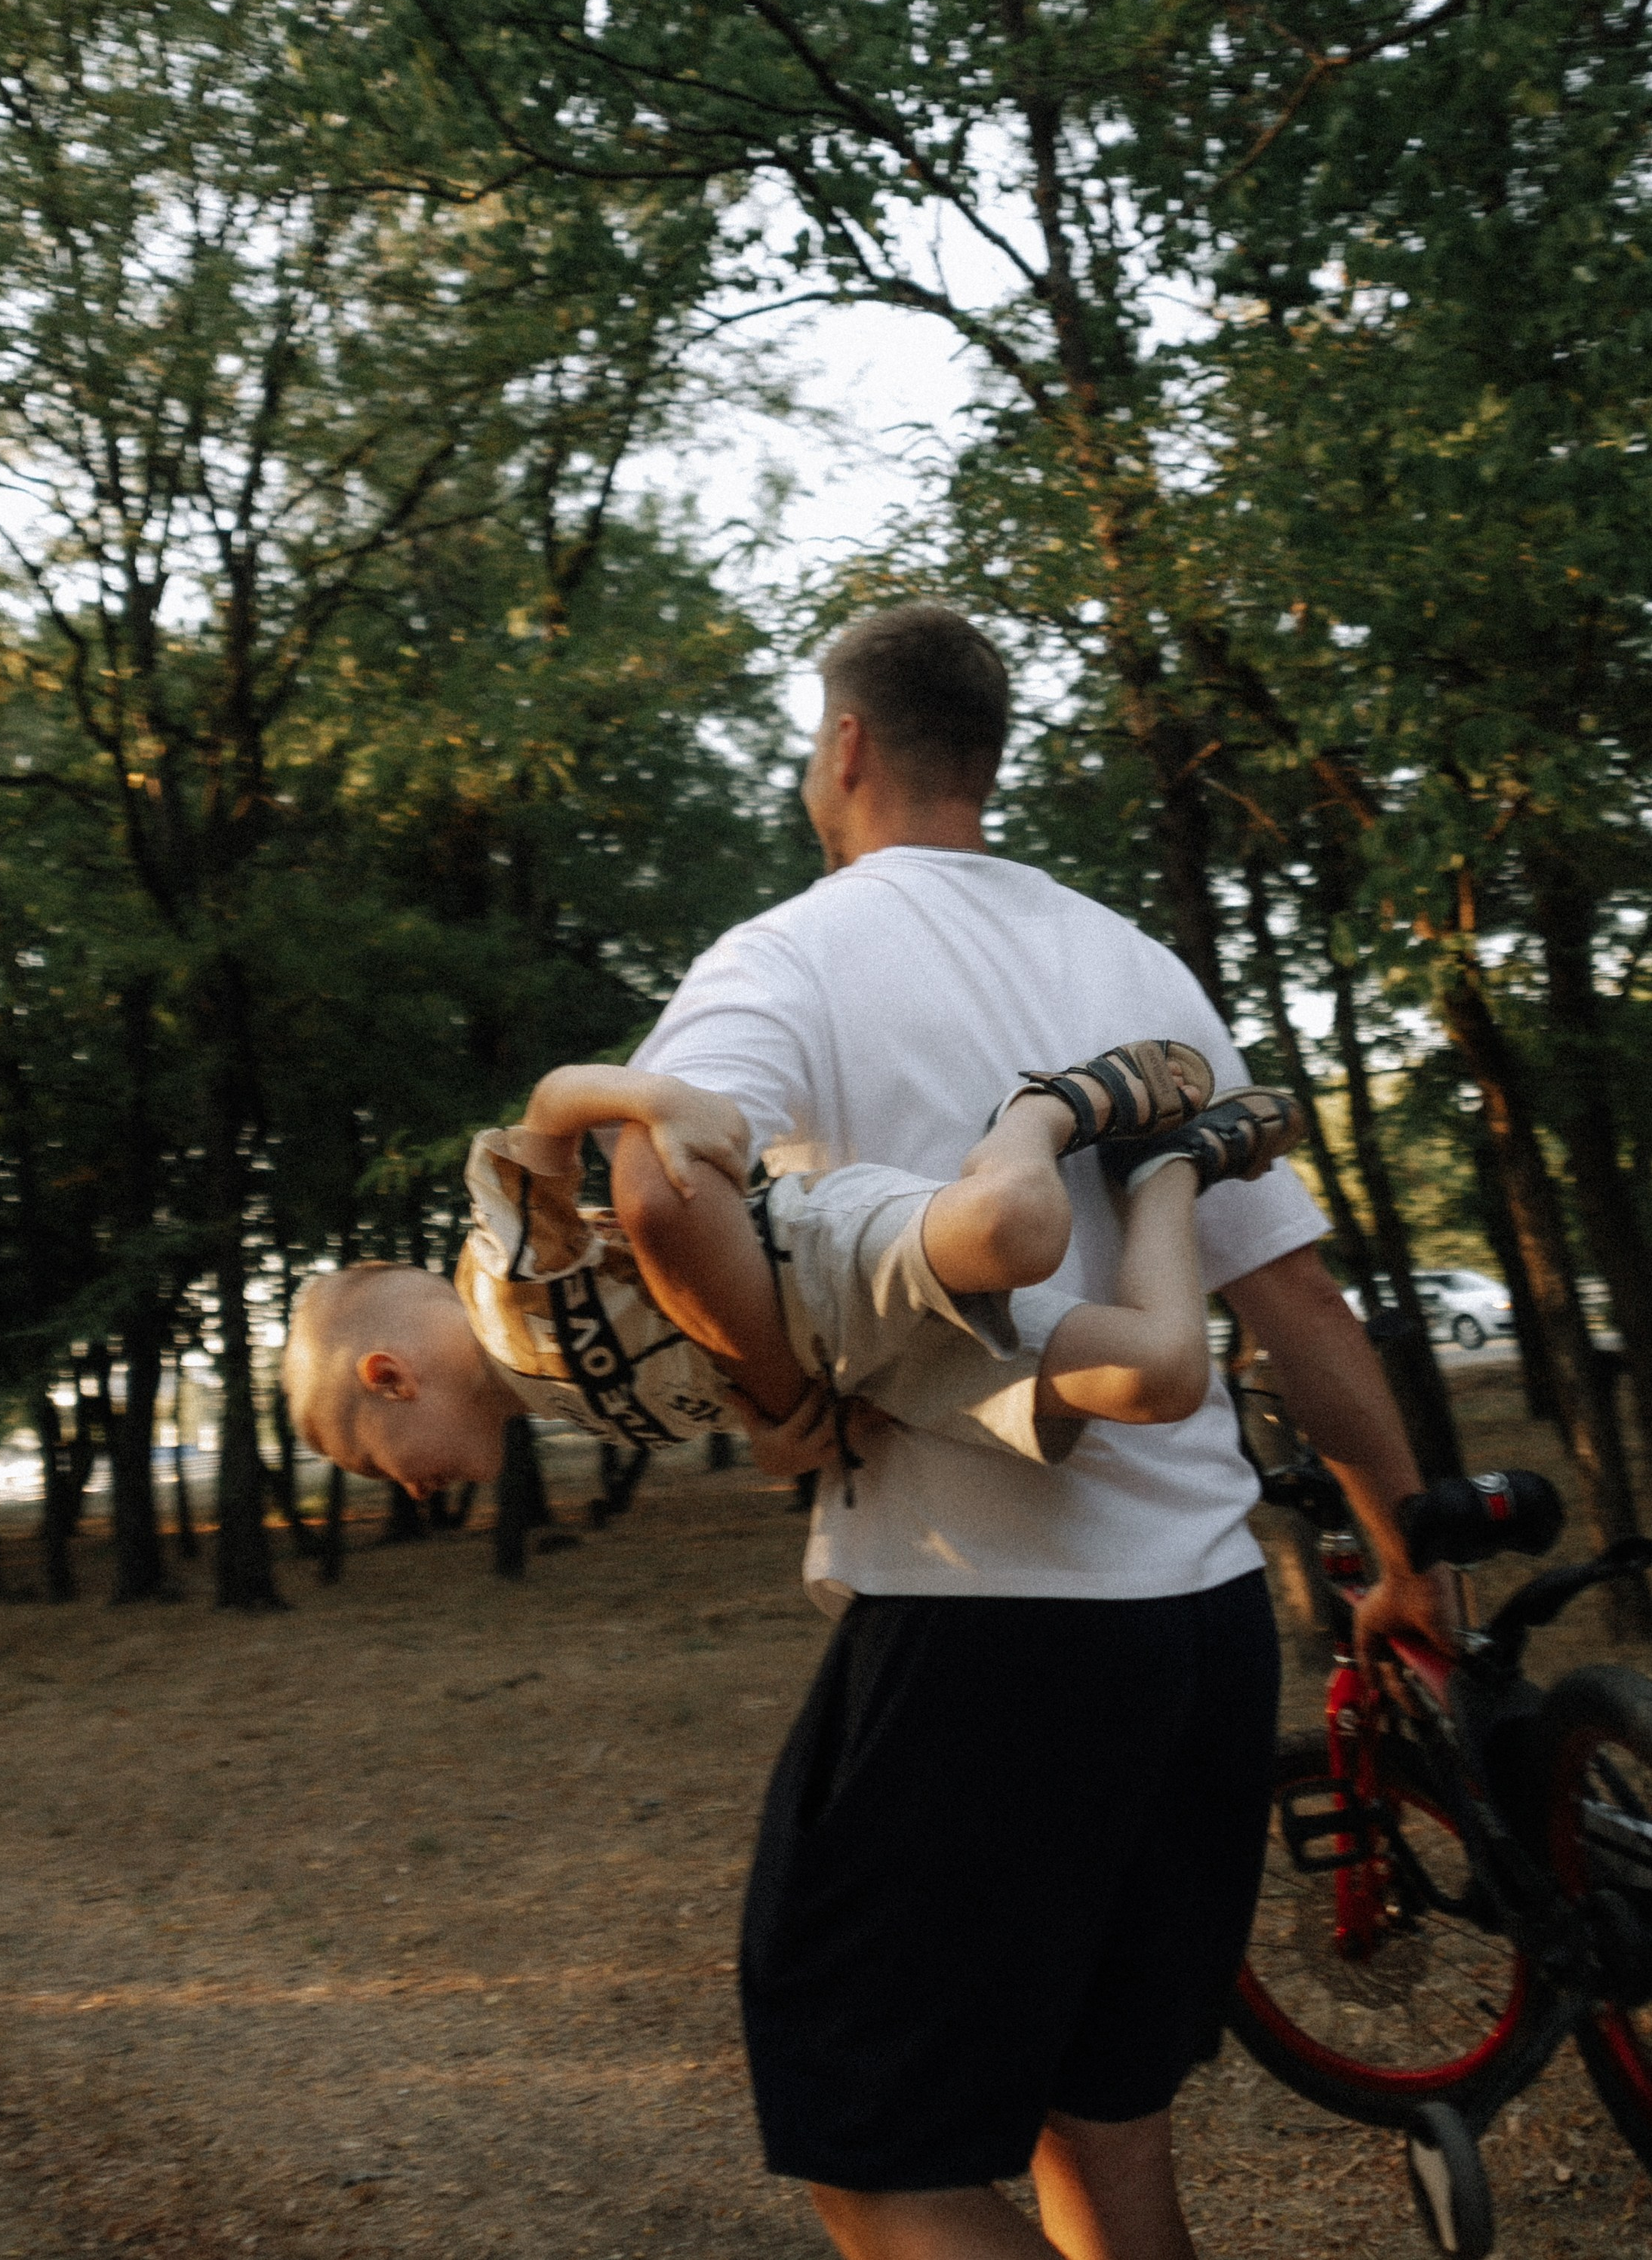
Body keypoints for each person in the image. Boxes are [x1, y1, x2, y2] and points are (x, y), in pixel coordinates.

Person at [606, 601, 1453, 2260]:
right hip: (1198, 1637)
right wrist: (1406, 1545)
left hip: (980, 1633)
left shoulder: (788, 953)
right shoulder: (1135, 966)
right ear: (983, 754)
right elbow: (1296, 1309)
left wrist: (780, 1392)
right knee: (1097, 2107)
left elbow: (650, 1178)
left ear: (842, 743)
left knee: (882, 2155)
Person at [281, 1048, 1307, 1496]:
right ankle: (1170, 1167)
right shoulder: (560, 1406)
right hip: (877, 1371)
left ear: (388, 1374)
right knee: (1163, 1376)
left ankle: (1039, 1112)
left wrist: (653, 1099)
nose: (410, 1491)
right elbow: (718, 1377)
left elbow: (550, 1108)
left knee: (1020, 1226)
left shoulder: (500, 1287)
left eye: (383, 1465)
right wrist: (772, 1443)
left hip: (813, 1265)